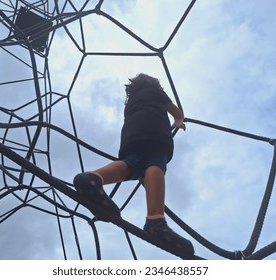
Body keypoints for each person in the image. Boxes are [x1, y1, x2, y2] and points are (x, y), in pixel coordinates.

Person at [73, 73, 194, 257]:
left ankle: (93, 177)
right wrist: (178, 122)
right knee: (155, 162)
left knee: (133, 163)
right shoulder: (156, 93)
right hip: (156, 130)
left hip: (131, 133)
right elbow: (178, 113)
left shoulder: (131, 102)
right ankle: (156, 221)